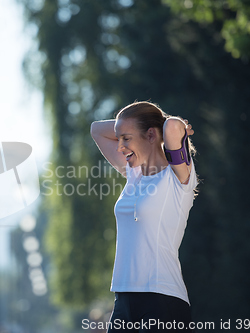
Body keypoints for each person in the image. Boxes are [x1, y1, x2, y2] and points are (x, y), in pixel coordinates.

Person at [90, 101, 197, 332]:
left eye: (126, 139)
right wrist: (129, 128)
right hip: (123, 299)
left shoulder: (178, 176)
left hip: (162, 298)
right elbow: (96, 129)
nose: (119, 147)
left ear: (150, 135)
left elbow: (172, 128)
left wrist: (162, 122)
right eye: (118, 138)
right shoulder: (134, 174)